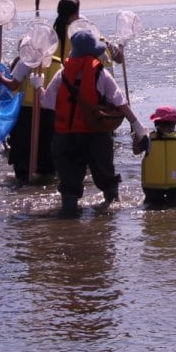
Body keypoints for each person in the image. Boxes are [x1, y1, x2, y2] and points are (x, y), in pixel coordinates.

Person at [42, 30, 142, 216]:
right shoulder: (101, 74)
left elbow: (47, 103)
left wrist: (38, 85)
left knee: (69, 182)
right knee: (106, 175)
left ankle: (69, 217)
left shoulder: (62, 74)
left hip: (66, 137)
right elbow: (121, 103)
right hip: (96, 135)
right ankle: (112, 208)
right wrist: (138, 128)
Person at [1, 0, 76, 186]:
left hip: (27, 111)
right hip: (50, 112)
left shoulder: (25, 61)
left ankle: (24, 180)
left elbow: (13, 84)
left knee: (23, 152)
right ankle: (44, 181)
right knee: (47, 153)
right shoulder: (59, 64)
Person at [133, 105, 176, 206]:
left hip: (174, 187)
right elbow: (136, 151)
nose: (167, 128)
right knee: (153, 205)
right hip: (153, 187)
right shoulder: (149, 139)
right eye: (164, 125)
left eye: (169, 125)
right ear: (157, 124)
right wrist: (136, 137)